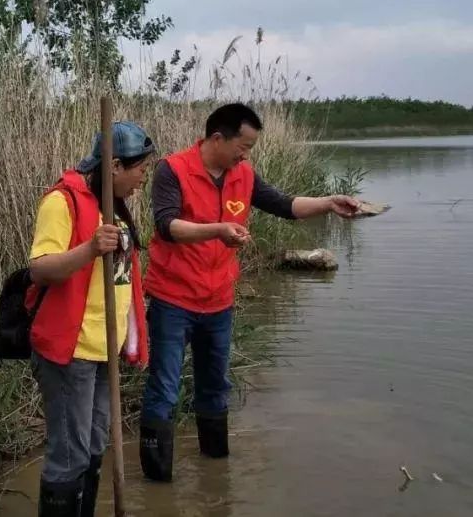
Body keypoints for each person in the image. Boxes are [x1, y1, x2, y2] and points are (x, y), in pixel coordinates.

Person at [138, 103, 361, 482]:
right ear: (217, 138)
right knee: (164, 385)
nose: (246, 155)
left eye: (251, 148)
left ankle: (215, 477)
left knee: (215, 386)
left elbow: (284, 204)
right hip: (172, 300)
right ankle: (158, 486)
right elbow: (166, 226)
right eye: (244, 146)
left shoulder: (243, 174)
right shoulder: (172, 169)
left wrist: (328, 203)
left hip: (219, 301)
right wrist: (218, 229)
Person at [27, 121, 155, 517]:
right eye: (140, 170)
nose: (142, 179)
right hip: (71, 350)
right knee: (70, 453)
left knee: (95, 444)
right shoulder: (62, 201)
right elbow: (40, 268)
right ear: (115, 165)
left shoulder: (112, 204)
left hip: (105, 351)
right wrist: (89, 248)